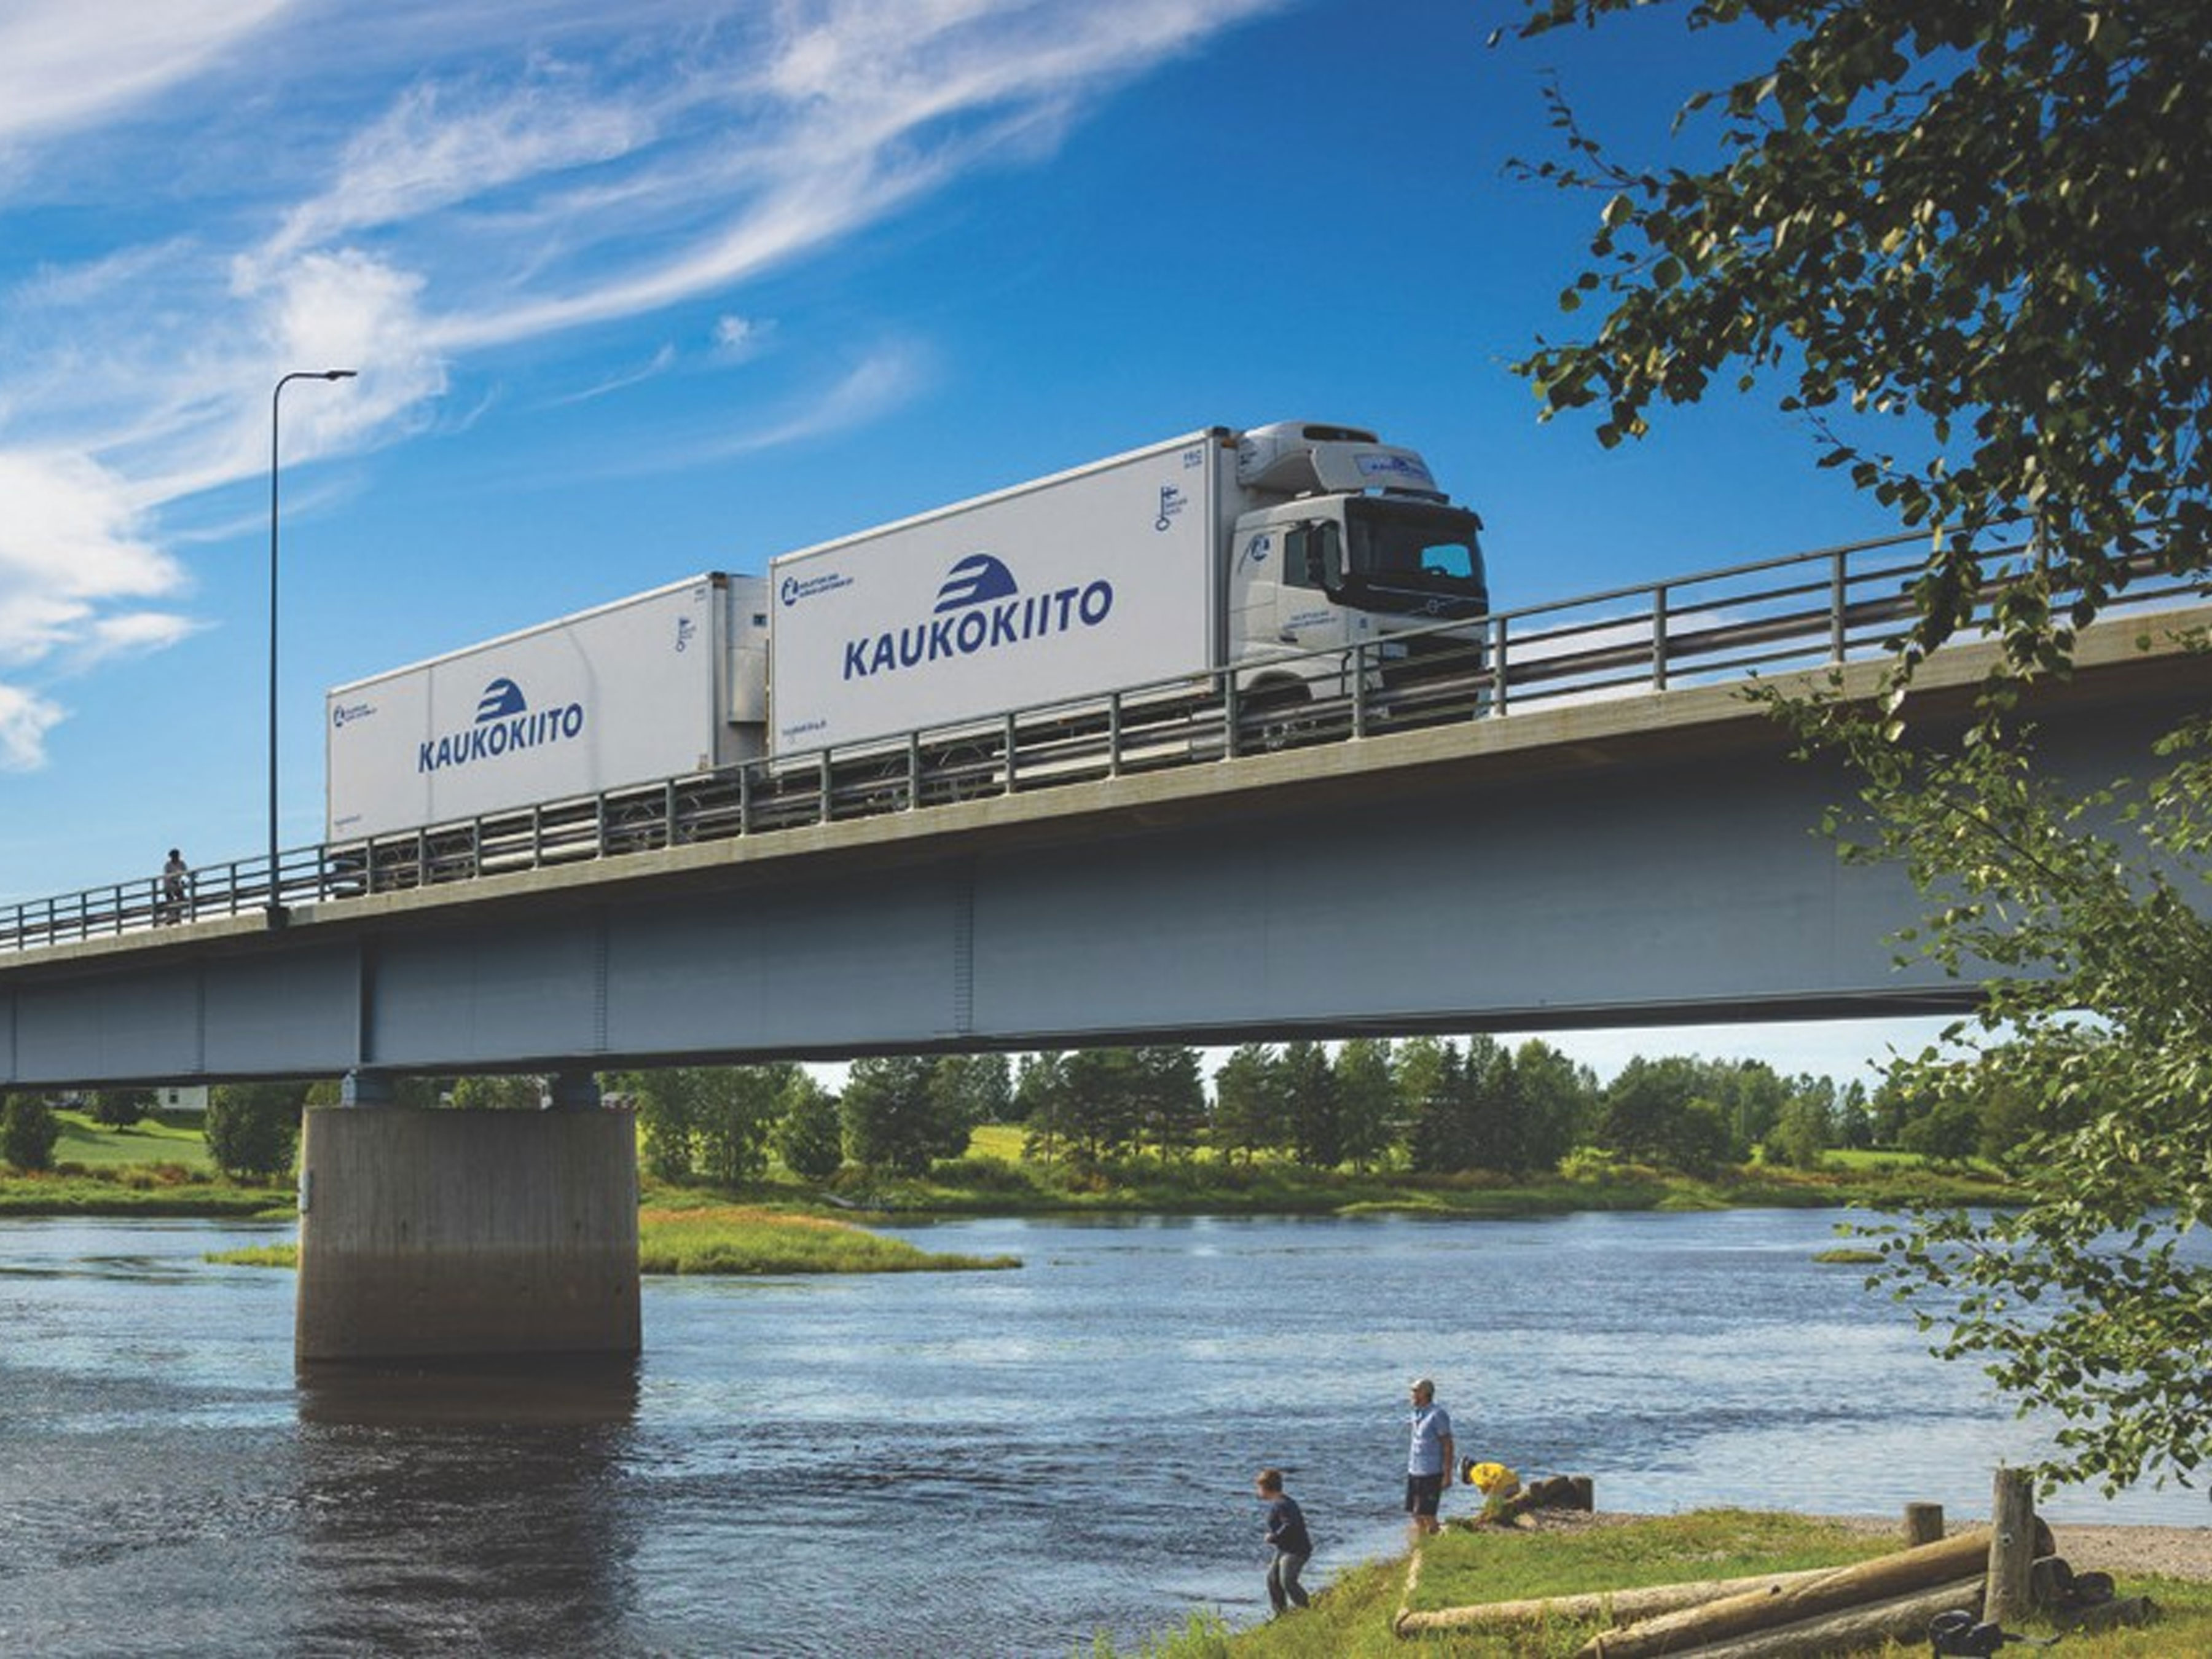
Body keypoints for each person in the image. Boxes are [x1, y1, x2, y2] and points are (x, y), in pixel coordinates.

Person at [1253, 1467, 1311, 1615]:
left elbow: (1290, 1525)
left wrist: (1273, 1537)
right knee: (1273, 1580)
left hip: (1297, 1550)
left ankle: (1306, 1610)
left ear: (1266, 1488)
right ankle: (1281, 1614)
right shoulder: (1280, 1502)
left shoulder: (1283, 1504)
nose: (1257, 1492)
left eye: (1259, 1488)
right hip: (1284, 1548)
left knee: (1287, 1581)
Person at [1405, 1376, 1455, 1540]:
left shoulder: (1437, 1414)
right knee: (1415, 1513)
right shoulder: (1416, 1414)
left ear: (1426, 1393)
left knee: (1428, 1513)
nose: (1412, 1394)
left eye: (1415, 1391)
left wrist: (1447, 1475)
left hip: (1431, 1471)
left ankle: (1437, 1544)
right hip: (1415, 1469)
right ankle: (1423, 1544)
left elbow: (1447, 1445)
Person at [159, 849, 188, 925]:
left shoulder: (182, 864)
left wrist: (191, 879)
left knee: (181, 899)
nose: (176, 857)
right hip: (168, 885)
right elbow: (168, 877)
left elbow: (186, 873)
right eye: (174, 856)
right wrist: (176, 882)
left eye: (177, 856)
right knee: (170, 901)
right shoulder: (168, 865)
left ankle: (178, 917)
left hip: (177, 884)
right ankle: (170, 918)